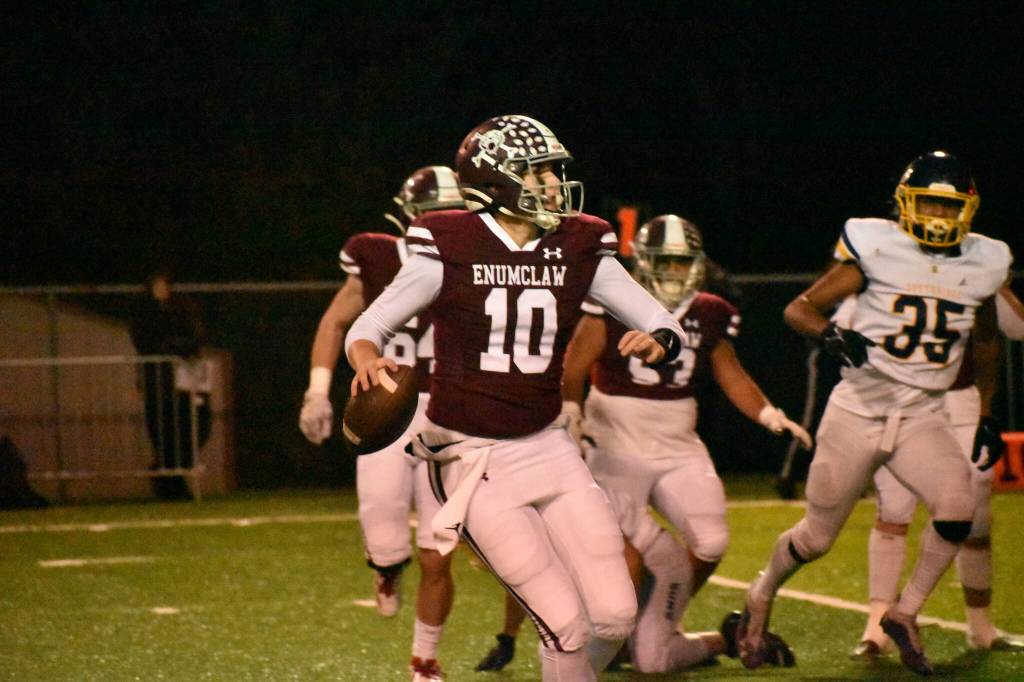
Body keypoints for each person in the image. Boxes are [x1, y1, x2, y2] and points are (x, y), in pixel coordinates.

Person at [345, 114, 686, 681]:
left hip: (549, 444)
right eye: (539, 172)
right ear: (496, 181)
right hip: (471, 456)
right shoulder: (449, 242)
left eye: (553, 170)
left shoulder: (580, 242)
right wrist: (366, 360)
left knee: (615, 616)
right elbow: (370, 325)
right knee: (565, 626)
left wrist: (659, 340)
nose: (554, 183)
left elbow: (659, 318)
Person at [475, 215, 806, 674]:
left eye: (681, 262)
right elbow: (573, 367)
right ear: (645, 262)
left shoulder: (710, 310)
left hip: (677, 442)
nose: (673, 271)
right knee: (620, 559)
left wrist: (769, 414)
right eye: (664, 261)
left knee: (711, 542)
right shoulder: (613, 301)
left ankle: (658, 623)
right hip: (615, 444)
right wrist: (571, 413)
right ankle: (611, 636)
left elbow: (730, 373)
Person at [735, 150, 1013, 676]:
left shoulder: (984, 260)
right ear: (905, 204)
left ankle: (904, 614)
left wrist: (985, 412)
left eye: (948, 206)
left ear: (968, 211)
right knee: (817, 538)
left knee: (958, 507)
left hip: (923, 414)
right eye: (927, 203)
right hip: (860, 409)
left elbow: (986, 342)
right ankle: (762, 590)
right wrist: (831, 333)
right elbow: (799, 308)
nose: (937, 216)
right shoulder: (877, 246)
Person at [298, 166, 464, 682]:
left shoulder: (480, 262)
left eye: (451, 214)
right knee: (384, 527)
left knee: (438, 551)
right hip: (387, 405)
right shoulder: (375, 255)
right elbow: (334, 322)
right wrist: (317, 390)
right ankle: (387, 569)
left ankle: (424, 661)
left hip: (449, 411)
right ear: (408, 218)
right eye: (432, 215)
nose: (441, 224)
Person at [851, 285, 1024, 658]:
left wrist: (997, 279)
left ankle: (980, 626)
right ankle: (877, 627)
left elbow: (1017, 327)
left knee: (975, 509)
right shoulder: (886, 267)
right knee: (894, 507)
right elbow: (845, 325)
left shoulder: (975, 268)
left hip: (959, 399)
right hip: (898, 399)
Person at [130, 269, 209, 500]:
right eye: (157, 285)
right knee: (163, 432)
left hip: (182, 379)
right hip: (158, 380)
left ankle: (171, 476)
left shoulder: (182, 309)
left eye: (164, 285)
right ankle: (170, 483)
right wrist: (171, 348)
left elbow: (195, 337)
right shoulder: (144, 313)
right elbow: (143, 342)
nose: (161, 290)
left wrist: (178, 347)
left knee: (192, 428)